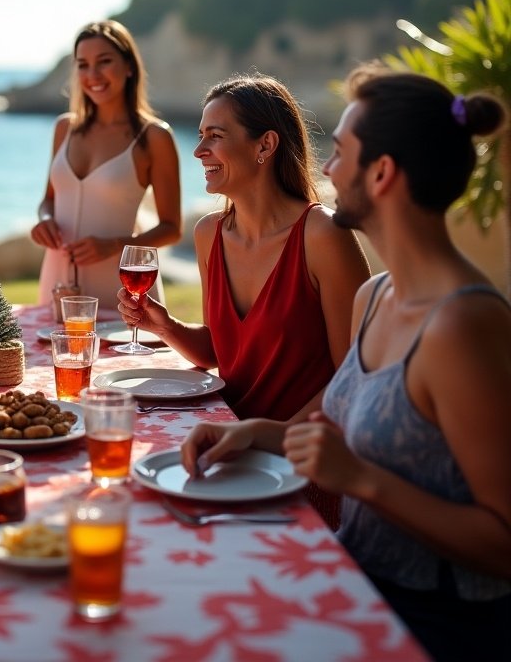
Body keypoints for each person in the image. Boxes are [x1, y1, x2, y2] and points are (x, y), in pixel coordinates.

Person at [180, 66, 511, 661]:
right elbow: (339, 426)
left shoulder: (464, 324)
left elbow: (503, 543)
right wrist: (258, 434)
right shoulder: (376, 297)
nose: (325, 170)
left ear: (381, 174)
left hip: (436, 626)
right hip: (355, 579)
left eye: (341, 153)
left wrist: (359, 480)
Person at [118, 72, 370, 422]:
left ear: (265, 145)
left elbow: (352, 381)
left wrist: (265, 440)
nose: (198, 150)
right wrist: (165, 327)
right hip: (228, 439)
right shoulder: (209, 233)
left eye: (215, 136)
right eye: (201, 134)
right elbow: (219, 351)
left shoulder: (323, 236)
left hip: (297, 456)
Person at [31, 20, 183, 310]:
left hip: (123, 286)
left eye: (104, 62)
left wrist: (114, 246)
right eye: (83, 65)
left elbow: (171, 228)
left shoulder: (153, 137)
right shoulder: (65, 129)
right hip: (58, 282)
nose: (92, 75)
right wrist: (44, 221)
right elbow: (48, 201)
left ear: (129, 67)